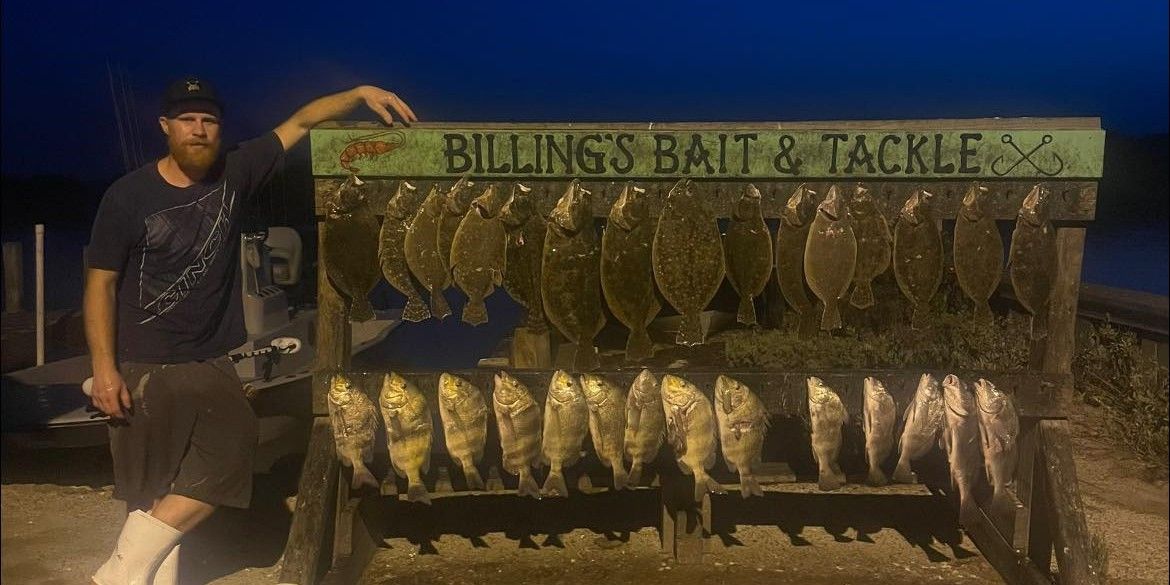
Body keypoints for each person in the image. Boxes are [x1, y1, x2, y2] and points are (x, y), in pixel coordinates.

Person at [84, 76, 416, 585]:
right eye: (188, 120)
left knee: (229, 460)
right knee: (152, 488)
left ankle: (118, 572)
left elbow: (302, 121)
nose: (199, 130)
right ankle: (141, 579)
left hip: (212, 360)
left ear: (220, 129)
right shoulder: (127, 197)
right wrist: (104, 370)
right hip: (143, 362)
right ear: (166, 127)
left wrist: (358, 94)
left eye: (209, 120)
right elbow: (100, 286)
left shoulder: (236, 170)